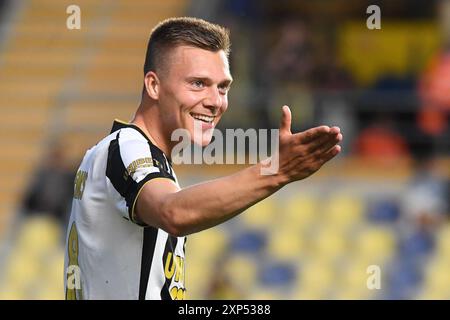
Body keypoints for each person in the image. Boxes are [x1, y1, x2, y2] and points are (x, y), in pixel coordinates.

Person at [63, 17, 342, 300]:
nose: (215, 101)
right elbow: (174, 213)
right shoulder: (127, 147)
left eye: (223, 87)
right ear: (153, 85)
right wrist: (275, 171)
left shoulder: (134, 155)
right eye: (198, 83)